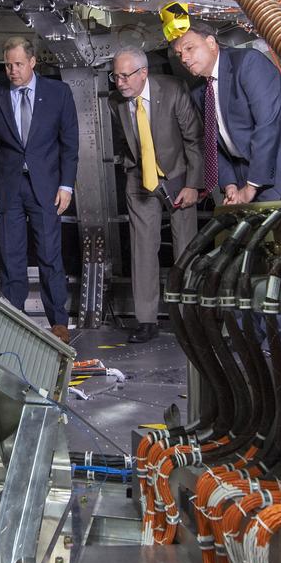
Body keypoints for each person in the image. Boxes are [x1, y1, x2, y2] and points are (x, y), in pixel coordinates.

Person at [0, 36, 78, 343]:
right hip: (7, 189)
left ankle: (58, 322)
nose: (13, 71)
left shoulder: (59, 93)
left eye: (19, 64)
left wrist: (66, 185)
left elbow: (70, 144)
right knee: (11, 257)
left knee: (50, 255)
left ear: (33, 62)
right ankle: (14, 321)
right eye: (8, 65)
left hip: (46, 188)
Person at [109, 48, 202, 342]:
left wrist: (193, 184)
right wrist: (131, 168)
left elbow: (194, 139)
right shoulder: (115, 102)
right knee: (142, 249)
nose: (120, 83)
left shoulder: (173, 90)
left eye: (126, 76)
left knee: (185, 248)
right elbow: (125, 139)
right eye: (115, 76)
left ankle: (187, 318)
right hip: (140, 179)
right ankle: (147, 321)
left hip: (178, 177)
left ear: (143, 73)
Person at [173, 21, 281, 203]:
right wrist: (229, 183)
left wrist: (251, 186)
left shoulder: (248, 63)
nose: (184, 58)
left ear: (211, 43)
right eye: (179, 54)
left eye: (189, 48)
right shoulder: (199, 91)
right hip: (246, 175)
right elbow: (213, 143)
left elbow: (267, 124)